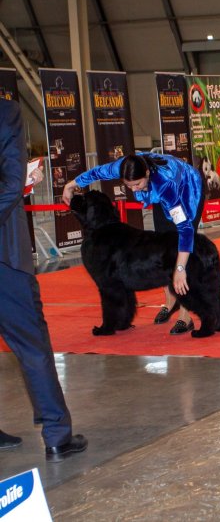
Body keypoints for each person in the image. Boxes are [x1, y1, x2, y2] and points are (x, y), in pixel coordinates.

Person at [0, 98, 87, 461]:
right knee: (33, 345)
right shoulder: (6, 112)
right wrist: (23, 183)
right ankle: (56, 434)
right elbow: (8, 183)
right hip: (5, 257)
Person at [62, 152, 205, 335]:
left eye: (137, 184)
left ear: (146, 173)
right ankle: (170, 302)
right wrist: (70, 185)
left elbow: (186, 230)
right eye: (129, 186)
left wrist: (180, 269)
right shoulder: (124, 167)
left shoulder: (166, 186)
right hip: (159, 186)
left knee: (176, 250)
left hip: (186, 186)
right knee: (162, 241)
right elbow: (97, 172)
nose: (135, 190)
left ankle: (185, 315)